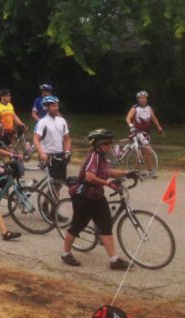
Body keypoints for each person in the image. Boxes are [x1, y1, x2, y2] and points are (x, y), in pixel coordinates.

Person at [62, 129, 138, 269]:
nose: (110, 146)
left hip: (97, 196)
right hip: (84, 197)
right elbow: (89, 176)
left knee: (105, 225)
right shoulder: (94, 156)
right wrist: (108, 183)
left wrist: (126, 173)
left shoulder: (102, 157)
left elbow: (107, 171)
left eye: (111, 143)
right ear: (98, 145)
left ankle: (114, 260)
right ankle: (66, 254)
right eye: (107, 143)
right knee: (77, 225)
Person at [33, 96, 71, 198]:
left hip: (60, 154)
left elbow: (67, 138)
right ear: (47, 107)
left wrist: (67, 152)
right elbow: (36, 139)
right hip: (48, 155)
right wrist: (41, 153)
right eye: (53, 106)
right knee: (53, 184)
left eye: (57, 105)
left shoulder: (62, 121)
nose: (56, 108)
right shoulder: (42, 122)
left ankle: (46, 203)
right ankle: (53, 209)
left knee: (59, 184)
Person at [125, 91, 164, 178]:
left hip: (147, 133)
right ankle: (150, 171)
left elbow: (153, 118)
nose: (143, 100)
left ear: (147, 99)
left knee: (142, 153)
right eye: (141, 98)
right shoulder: (135, 108)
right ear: (138, 99)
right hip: (138, 132)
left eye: (144, 98)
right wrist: (131, 125)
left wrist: (159, 127)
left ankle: (134, 171)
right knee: (148, 150)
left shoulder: (149, 108)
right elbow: (128, 118)